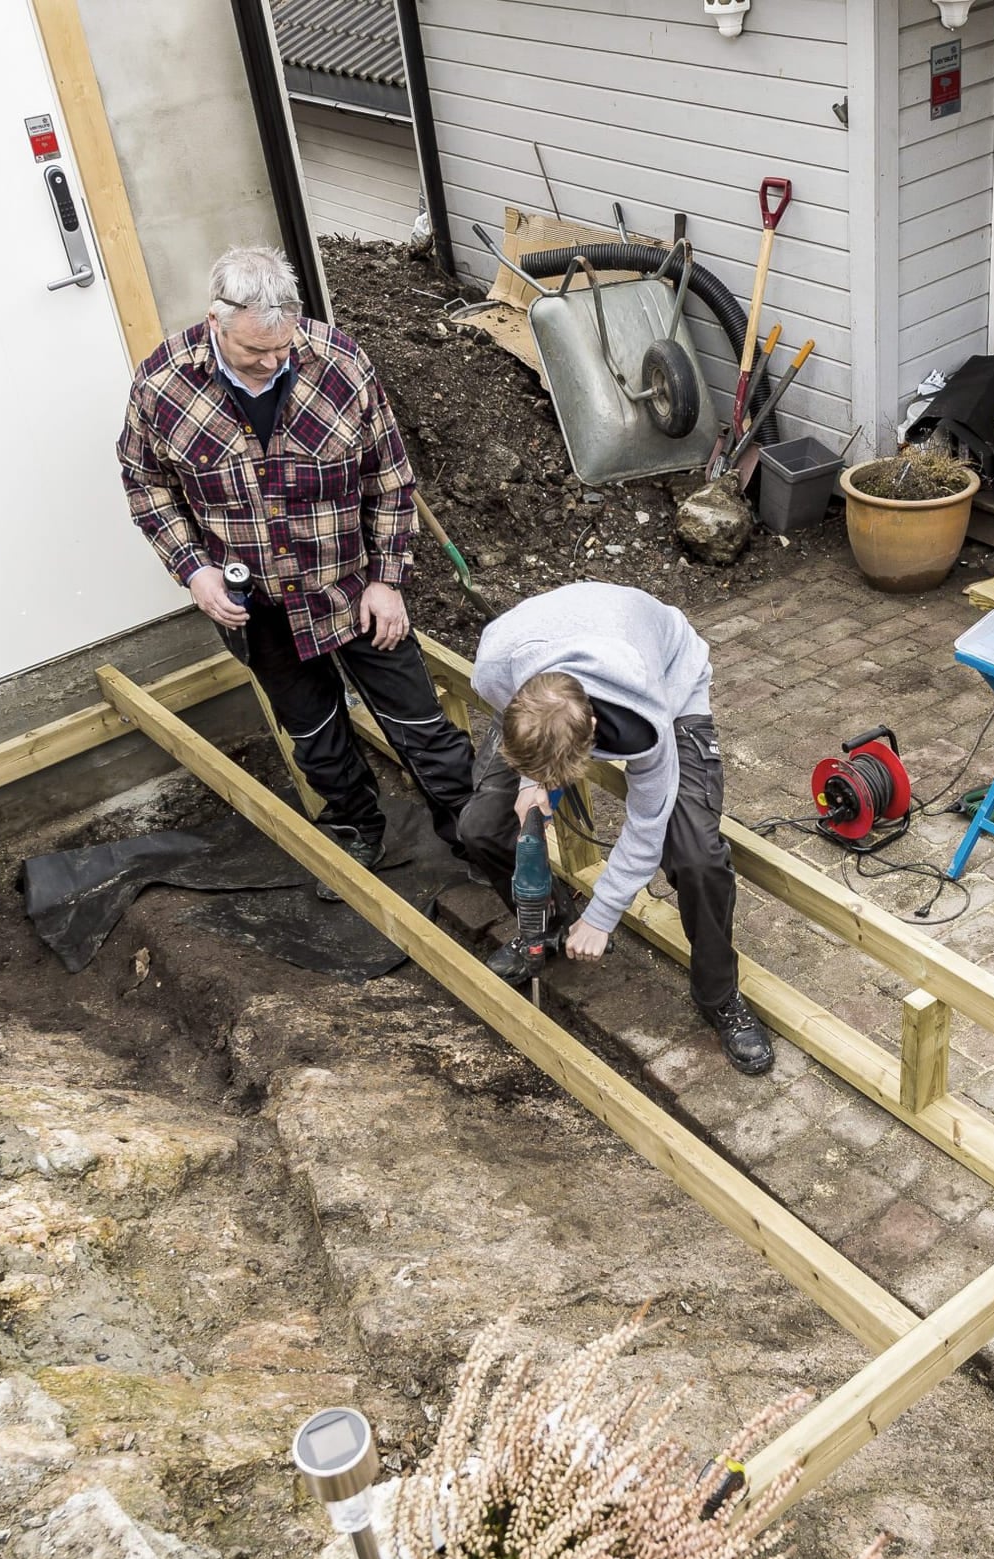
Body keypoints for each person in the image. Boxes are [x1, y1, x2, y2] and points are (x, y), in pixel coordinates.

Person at [117, 245, 473, 888]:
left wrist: (389, 581)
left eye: (283, 347)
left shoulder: (341, 365)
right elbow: (145, 484)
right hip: (254, 607)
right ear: (216, 321)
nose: (274, 362)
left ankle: (475, 837)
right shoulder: (162, 384)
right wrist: (193, 569)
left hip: (350, 589)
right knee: (315, 734)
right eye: (256, 351)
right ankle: (356, 829)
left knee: (423, 728)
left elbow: (390, 482)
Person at [462, 583, 775, 1076]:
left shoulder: (641, 719)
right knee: (481, 825)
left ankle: (718, 996)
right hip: (551, 655)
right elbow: (519, 722)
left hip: (666, 669)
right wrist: (530, 782)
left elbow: (647, 822)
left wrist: (603, 915)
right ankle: (542, 927)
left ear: (593, 733)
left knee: (696, 855)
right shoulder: (495, 669)